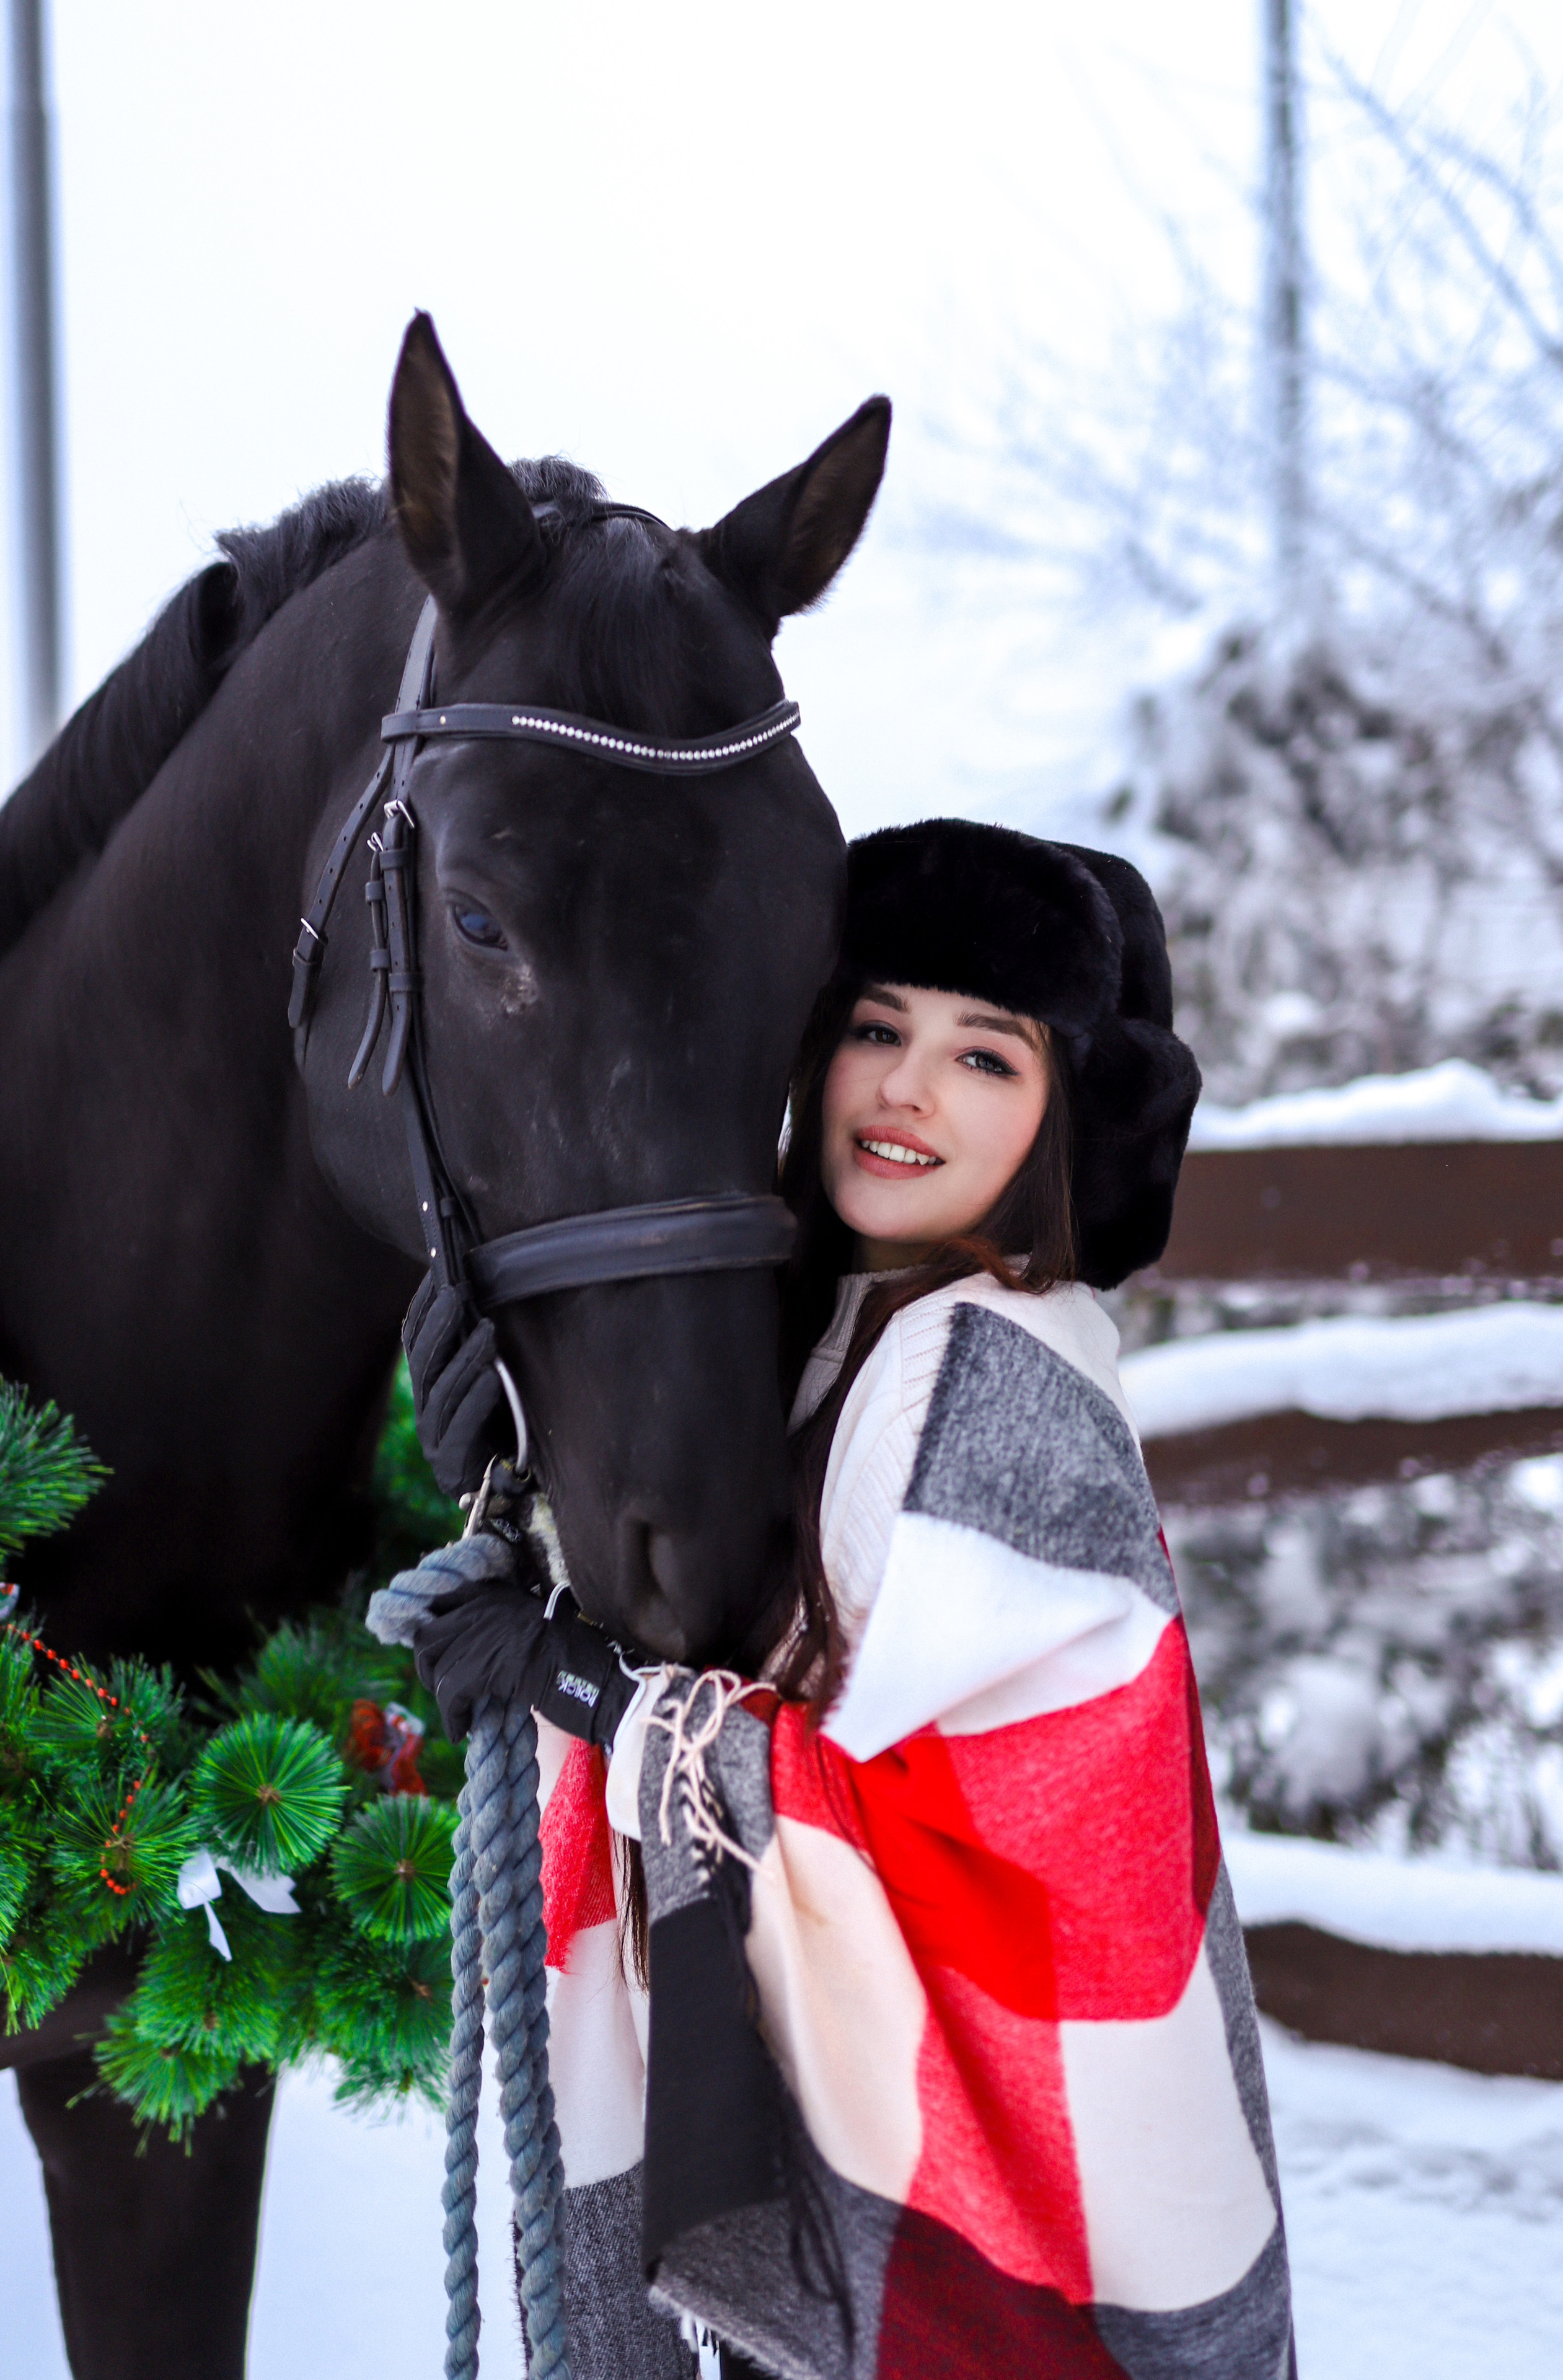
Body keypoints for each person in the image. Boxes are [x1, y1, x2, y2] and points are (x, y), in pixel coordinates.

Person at [380, 820, 1295, 2380]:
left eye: (984, 1057)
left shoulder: (996, 1375)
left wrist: (583, 1688)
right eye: (876, 1026)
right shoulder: (848, 1328)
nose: (904, 1089)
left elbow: (925, 1820)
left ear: (1072, 1121)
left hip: (1042, 2149)